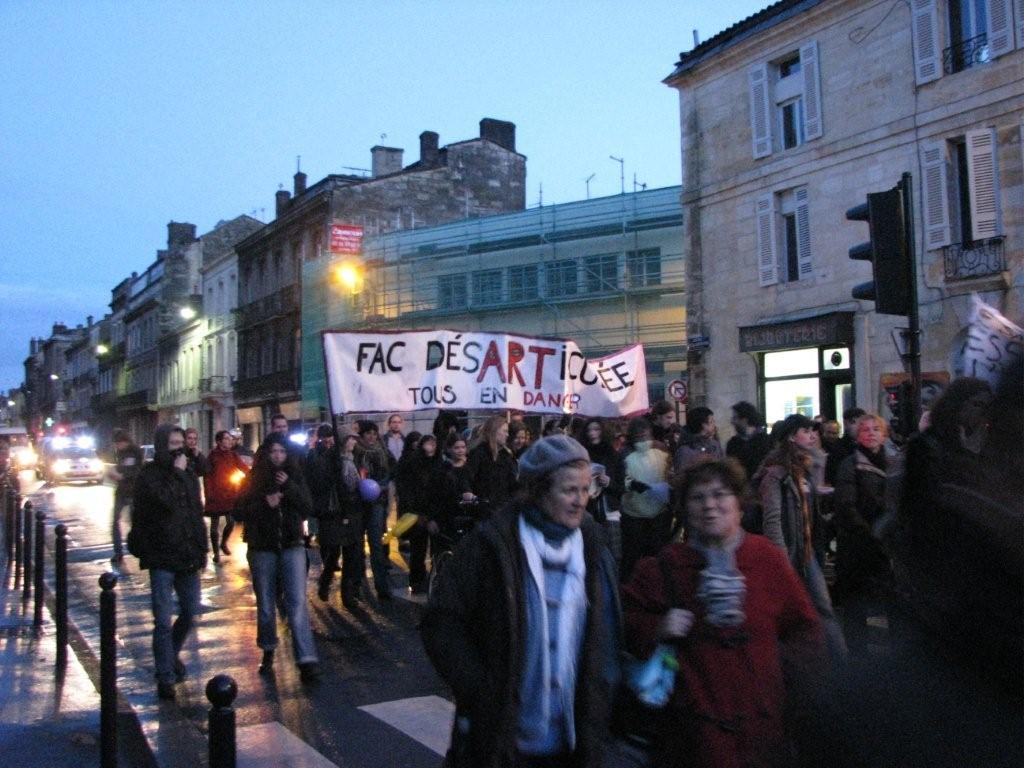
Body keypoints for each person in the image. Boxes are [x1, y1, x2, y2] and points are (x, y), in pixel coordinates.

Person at [421, 435, 621, 767]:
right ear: (538, 490)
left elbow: (607, 636)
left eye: (586, 489)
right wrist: (481, 692)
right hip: (504, 742)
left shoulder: (594, 548)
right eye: (569, 490)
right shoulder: (490, 545)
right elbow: (441, 622)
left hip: (574, 744)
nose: (580, 501)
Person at [622, 458, 828, 767]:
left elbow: (805, 629)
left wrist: (777, 671)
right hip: (693, 737)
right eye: (698, 497)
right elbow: (626, 622)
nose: (710, 505)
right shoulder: (664, 567)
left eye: (720, 494)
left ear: (739, 503)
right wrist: (659, 628)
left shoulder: (766, 559)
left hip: (763, 732)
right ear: (685, 508)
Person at [754, 414, 847, 661]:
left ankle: (834, 660)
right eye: (806, 431)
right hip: (791, 551)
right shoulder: (776, 472)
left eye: (813, 431)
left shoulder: (804, 466)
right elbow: (772, 519)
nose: (813, 435)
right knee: (808, 607)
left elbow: (810, 507)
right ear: (792, 437)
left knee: (820, 606)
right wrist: (780, 558)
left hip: (808, 549)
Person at [234, 432, 320, 681]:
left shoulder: (294, 476)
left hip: (291, 544)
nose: (278, 457)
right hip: (262, 547)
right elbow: (238, 511)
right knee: (266, 604)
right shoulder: (253, 479)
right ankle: (268, 648)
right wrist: (264, 503)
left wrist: (289, 487)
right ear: (265, 454)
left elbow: (307, 506)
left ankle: (306, 658)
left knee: (297, 602)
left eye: (282, 452)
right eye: (273, 452)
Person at [130, 424, 208, 700]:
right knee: (163, 620)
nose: (177, 447)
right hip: (162, 555)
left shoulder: (187, 472)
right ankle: (165, 675)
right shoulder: (150, 475)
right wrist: (176, 471)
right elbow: (163, 503)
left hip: (187, 554)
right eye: (173, 442)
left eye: (180, 442)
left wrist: (202, 550)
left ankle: (171, 655)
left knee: (190, 611)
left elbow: (194, 512)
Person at [833, 413, 893, 654]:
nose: (871, 433)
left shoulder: (892, 462)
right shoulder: (850, 465)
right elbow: (846, 505)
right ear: (858, 436)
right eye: (865, 430)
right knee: (856, 605)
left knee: (891, 603)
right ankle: (859, 659)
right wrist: (870, 533)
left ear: (883, 434)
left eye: (875, 429)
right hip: (858, 544)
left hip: (885, 543)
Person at [620, 417, 672, 583]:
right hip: (634, 513)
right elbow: (620, 479)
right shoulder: (625, 456)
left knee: (657, 554)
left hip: (658, 512)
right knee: (633, 555)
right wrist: (632, 485)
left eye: (646, 436)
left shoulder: (662, 453)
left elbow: (670, 474)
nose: (643, 440)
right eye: (639, 437)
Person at [394, 433, 440, 594]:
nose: (431, 448)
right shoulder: (412, 464)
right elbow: (407, 490)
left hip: (434, 511)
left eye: (433, 444)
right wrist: (415, 513)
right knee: (418, 550)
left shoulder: (439, 464)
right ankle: (417, 580)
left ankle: (434, 579)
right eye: (428, 444)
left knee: (436, 549)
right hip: (418, 513)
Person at [354, 419, 394, 601]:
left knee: (376, 544)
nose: (371, 437)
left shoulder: (383, 450)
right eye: (367, 433)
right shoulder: (355, 451)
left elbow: (392, 470)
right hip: (358, 503)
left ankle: (382, 587)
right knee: (356, 545)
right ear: (361, 436)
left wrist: (381, 486)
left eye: (373, 433)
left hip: (377, 501)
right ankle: (358, 584)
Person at [203, 429, 249, 563]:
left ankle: (224, 543)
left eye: (231, 439)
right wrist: (208, 493)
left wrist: (252, 476)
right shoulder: (212, 456)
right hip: (215, 494)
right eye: (227, 439)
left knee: (231, 522)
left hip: (230, 493)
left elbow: (243, 468)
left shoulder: (233, 455)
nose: (230, 441)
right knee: (214, 526)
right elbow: (207, 476)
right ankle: (216, 552)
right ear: (219, 441)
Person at [466, 415, 518, 515]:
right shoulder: (478, 453)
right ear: (494, 431)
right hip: (483, 510)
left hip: (503, 509)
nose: (507, 435)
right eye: (504, 431)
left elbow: (512, 483)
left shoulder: (506, 456)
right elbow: (468, 479)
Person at [579, 417, 624, 525]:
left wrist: (609, 483)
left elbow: (622, 487)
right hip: (586, 512)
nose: (592, 433)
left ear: (604, 431)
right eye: (589, 430)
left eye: (596, 429)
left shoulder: (614, 456)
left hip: (609, 512)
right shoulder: (581, 455)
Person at [109, 428, 143, 565]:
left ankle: (138, 547)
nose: (117, 446)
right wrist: (115, 472)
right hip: (122, 491)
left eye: (118, 443)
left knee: (135, 522)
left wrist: (120, 476)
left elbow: (135, 471)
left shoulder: (135, 452)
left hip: (132, 491)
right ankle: (118, 552)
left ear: (124, 441)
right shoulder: (121, 453)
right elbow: (123, 467)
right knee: (115, 521)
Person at [725, 401, 772, 480]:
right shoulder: (733, 443)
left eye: (735, 418)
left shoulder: (765, 441)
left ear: (744, 420)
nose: (732, 422)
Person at [673, 406, 723, 474]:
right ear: (703, 425)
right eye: (711, 421)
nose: (714, 424)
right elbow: (681, 478)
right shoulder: (684, 451)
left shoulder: (715, 445)